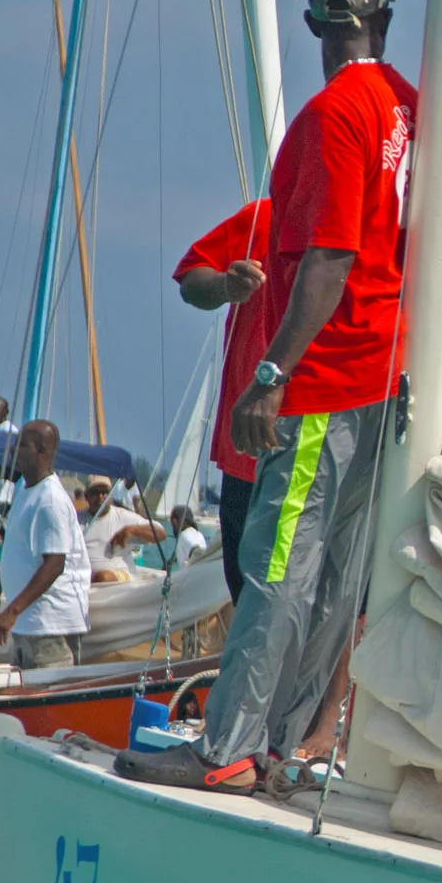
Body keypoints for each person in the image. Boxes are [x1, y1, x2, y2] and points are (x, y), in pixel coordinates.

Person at [117, 0, 416, 791]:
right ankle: (286, 747)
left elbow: (329, 256)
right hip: (382, 380)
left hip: (325, 382)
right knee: (331, 577)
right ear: (383, 19)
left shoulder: (334, 117)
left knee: (278, 568)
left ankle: (229, 752)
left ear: (321, 27)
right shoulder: (408, 110)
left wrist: (272, 371)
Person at [173, 198, 275, 603]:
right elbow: (191, 277)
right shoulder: (263, 216)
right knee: (248, 592)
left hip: (322, 448)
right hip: (247, 455)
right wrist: (225, 287)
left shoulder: (372, 223)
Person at [0, 420, 90, 669]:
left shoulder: (50, 500)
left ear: (41, 451)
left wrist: (11, 612)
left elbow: (54, 564)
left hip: (49, 624)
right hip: (29, 622)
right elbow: (24, 552)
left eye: (21, 446)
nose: (13, 451)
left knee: (50, 699)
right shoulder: (27, 491)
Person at [79, 478, 160, 575]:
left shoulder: (123, 516)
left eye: (105, 493)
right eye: (95, 493)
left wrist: (131, 530)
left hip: (118, 580)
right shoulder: (76, 519)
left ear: (111, 496)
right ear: (86, 496)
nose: (100, 497)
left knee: (103, 576)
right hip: (83, 581)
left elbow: (161, 533)